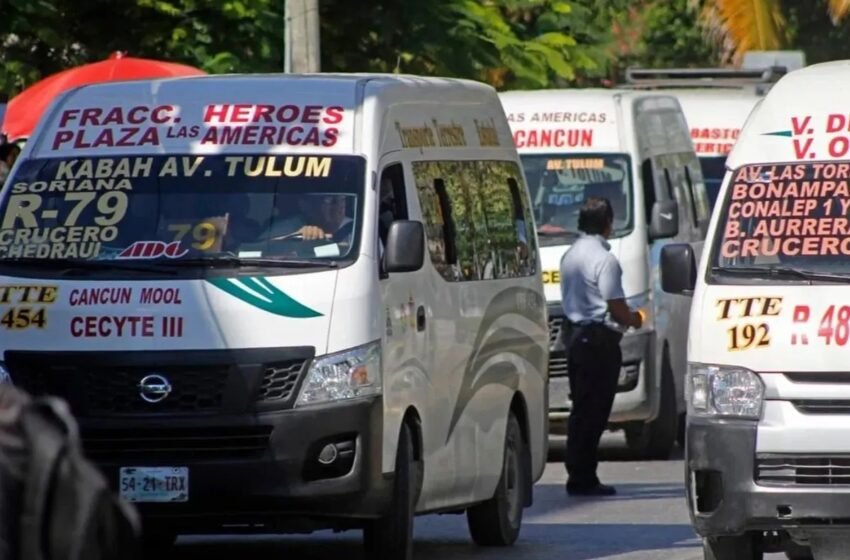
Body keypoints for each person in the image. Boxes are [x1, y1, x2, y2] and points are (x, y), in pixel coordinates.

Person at [559, 196, 643, 496]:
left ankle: (577, 470)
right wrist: (635, 319)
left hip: (575, 338)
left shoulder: (570, 255)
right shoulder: (604, 260)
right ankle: (584, 476)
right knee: (595, 411)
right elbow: (616, 306)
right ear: (607, 224)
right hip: (598, 340)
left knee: (581, 409)